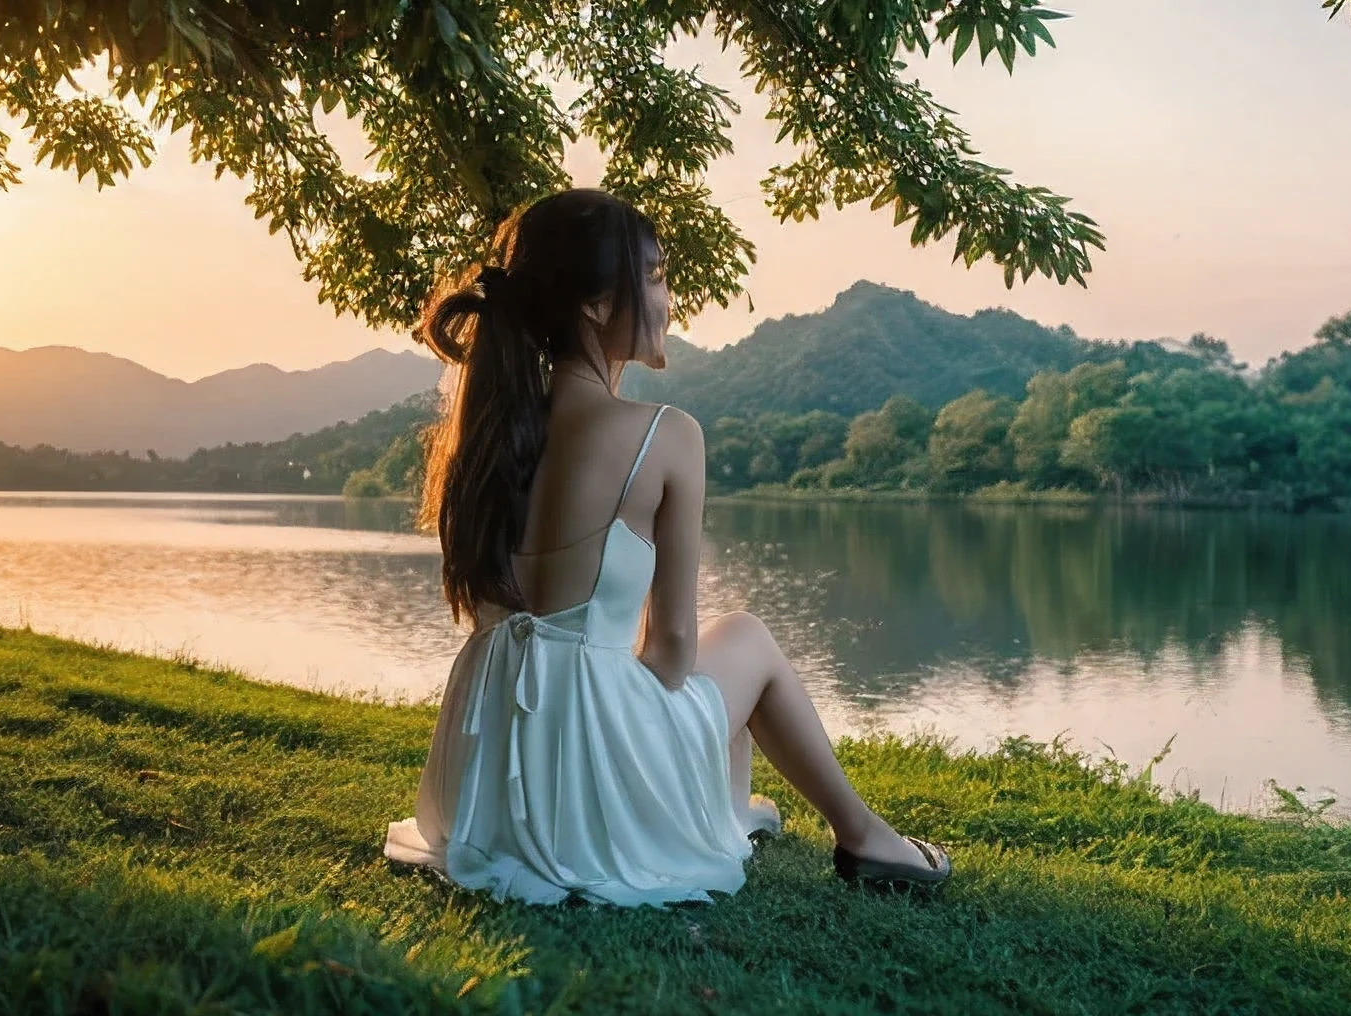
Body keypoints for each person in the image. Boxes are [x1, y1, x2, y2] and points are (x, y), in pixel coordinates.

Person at [381, 187, 951, 906]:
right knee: (743, 638)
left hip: (488, 761)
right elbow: (673, 651)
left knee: (719, 699)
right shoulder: (665, 433)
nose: (668, 295)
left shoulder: (487, 434)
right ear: (594, 305)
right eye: (653, 275)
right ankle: (867, 838)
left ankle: (717, 815)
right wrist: (630, 716)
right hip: (576, 750)